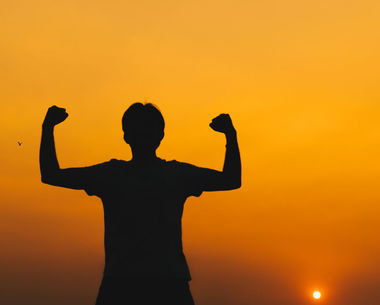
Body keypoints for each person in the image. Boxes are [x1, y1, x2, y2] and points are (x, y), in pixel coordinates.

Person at [39, 103, 241, 305]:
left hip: (145, 283)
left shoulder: (120, 175)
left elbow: (231, 180)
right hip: (141, 284)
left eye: (147, 128)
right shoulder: (167, 175)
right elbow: (51, 175)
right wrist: (230, 135)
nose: (143, 134)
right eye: (140, 129)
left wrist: (48, 128)